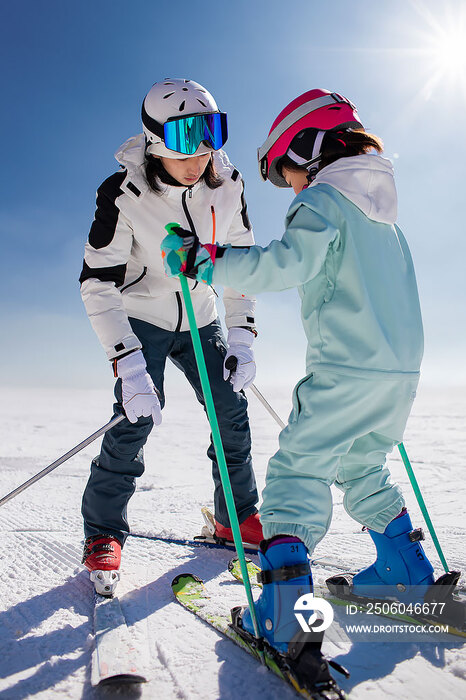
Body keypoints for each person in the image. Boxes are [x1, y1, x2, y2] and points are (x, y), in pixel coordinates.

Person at [162, 89, 438, 659]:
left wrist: (204, 260)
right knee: (361, 464)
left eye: (286, 173)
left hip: (344, 369)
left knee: (297, 471)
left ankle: (285, 615)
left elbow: (284, 263)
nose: (290, 187)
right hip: (399, 374)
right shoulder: (385, 217)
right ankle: (405, 570)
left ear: (309, 150)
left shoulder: (324, 200)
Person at [79, 78, 263, 595]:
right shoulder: (124, 193)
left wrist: (243, 336)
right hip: (144, 318)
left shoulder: (229, 186)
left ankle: (236, 517)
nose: (202, 152)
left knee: (231, 411)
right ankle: (103, 532)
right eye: (187, 137)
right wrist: (127, 362)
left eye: (213, 133)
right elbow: (97, 282)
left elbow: (242, 263)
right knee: (134, 419)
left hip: (202, 317)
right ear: (156, 138)